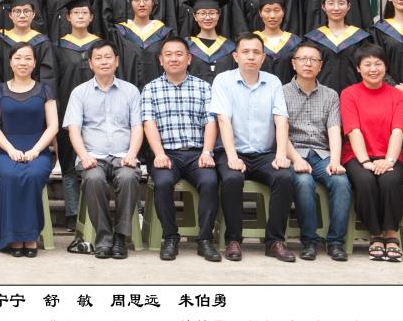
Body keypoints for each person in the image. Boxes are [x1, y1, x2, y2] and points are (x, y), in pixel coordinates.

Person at [209, 33, 296, 262]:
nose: (251, 56)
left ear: (263, 57)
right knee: (232, 178)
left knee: (285, 177)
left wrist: (281, 155)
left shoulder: (273, 82)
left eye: (256, 52)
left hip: (264, 153)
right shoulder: (223, 81)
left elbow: (281, 120)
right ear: (235, 56)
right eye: (245, 52)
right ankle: (233, 240)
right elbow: (223, 120)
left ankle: (274, 241)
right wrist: (232, 157)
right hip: (232, 151)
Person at [141, 37, 221, 262]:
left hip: (197, 153)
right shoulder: (151, 89)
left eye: (179, 54)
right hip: (167, 153)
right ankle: (170, 237)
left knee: (210, 181)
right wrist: (159, 154)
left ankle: (205, 239)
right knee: (163, 182)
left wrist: (207, 152)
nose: (173, 59)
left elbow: (210, 122)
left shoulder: (203, 87)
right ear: (161, 60)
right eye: (168, 55)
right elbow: (149, 123)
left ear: (189, 58)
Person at [62, 41, 144, 259]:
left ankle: (120, 238)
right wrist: (84, 156)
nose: (104, 62)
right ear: (90, 63)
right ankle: (104, 238)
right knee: (94, 179)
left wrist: (132, 154)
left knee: (128, 177)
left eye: (108, 57)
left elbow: (137, 127)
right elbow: (73, 129)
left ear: (116, 61)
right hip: (92, 157)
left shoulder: (131, 91)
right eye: (98, 58)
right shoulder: (80, 92)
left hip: (123, 156)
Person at [282, 42, 350, 262]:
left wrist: (336, 161)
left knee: (340, 181)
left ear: (320, 66)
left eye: (313, 60)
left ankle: (335, 242)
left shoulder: (330, 95)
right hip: (294, 152)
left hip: (322, 154)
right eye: (302, 59)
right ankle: (309, 241)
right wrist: (295, 159)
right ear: (294, 64)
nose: (308, 63)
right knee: (303, 182)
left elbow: (334, 130)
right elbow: (280, 132)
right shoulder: (281, 93)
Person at [340, 43, 403, 262]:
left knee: (390, 180)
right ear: (358, 68)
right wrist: (365, 161)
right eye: (367, 64)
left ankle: (391, 234)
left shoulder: (397, 96)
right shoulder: (349, 94)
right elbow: (353, 130)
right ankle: (375, 234)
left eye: (378, 64)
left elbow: (398, 130)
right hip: (357, 155)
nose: (373, 69)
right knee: (365, 180)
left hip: (389, 154)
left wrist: (389, 160)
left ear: (385, 67)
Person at [0, 43, 58, 255]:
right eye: (18, 58)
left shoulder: (44, 90)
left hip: (38, 150)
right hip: (6, 150)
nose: (23, 62)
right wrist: (10, 150)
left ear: (35, 63)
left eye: (28, 58)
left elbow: (53, 125)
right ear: (10, 62)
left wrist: (36, 150)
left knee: (33, 174)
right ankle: (13, 237)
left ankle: (31, 236)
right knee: (10, 175)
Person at [53, 0, 104, 230]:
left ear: (92, 17)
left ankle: (95, 213)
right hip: (67, 110)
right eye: (76, 13)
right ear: (68, 17)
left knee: (97, 160)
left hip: (98, 112)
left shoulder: (100, 47)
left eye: (85, 12)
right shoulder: (58, 46)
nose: (81, 16)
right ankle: (73, 213)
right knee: (68, 162)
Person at [302, 0, 371, 94]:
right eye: (331, 3)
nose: (336, 8)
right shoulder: (314, 39)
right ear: (323, 6)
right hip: (320, 97)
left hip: (354, 96)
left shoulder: (360, 38)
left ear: (348, 6)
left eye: (341, 3)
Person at [0, 0, 57, 94]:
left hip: (36, 97)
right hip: (5, 97)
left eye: (26, 11)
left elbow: (48, 77)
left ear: (33, 14)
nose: (22, 15)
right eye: (17, 11)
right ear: (10, 15)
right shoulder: (0, 40)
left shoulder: (42, 42)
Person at [112, 0, 170, 90]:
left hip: (158, 91)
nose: (142, 4)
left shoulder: (164, 33)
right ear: (130, 3)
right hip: (127, 91)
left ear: (153, 2)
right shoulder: (120, 32)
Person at [184, 0, 237, 84]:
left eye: (212, 13)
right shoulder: (187, 45)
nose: (208, 17)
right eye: (202, 13)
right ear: (195, 16)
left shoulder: (229, 47)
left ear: (218, 15)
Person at [249, 0, 301, 83]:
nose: (272, 16)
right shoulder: (252, 41)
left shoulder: (294, 42)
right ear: (260, 13)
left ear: (283, 12)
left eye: (277, 10)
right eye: (267, 10)